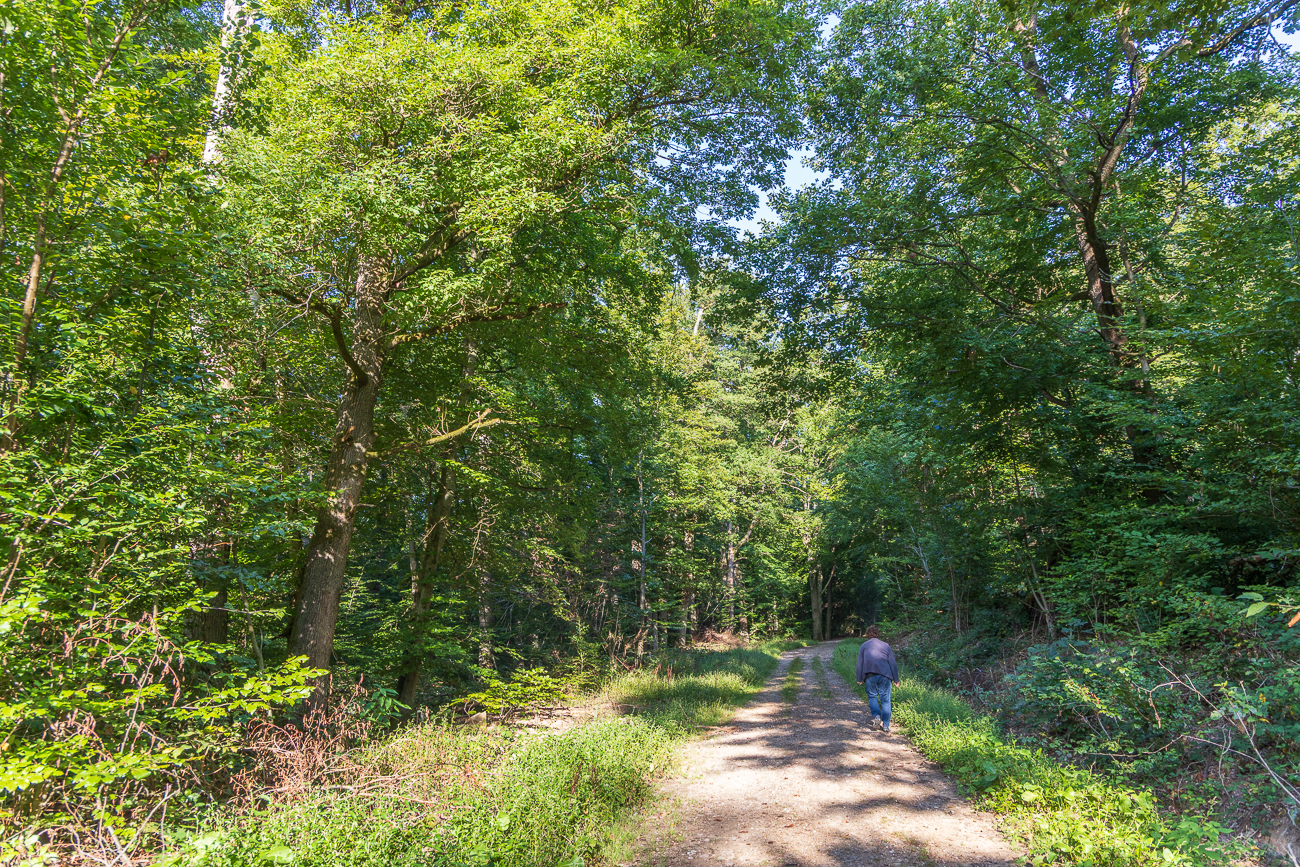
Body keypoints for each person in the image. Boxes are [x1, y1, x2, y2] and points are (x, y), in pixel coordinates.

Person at [855, 627, 899, 733]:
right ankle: (886, 725)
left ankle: (876, 717)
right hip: (885, 675)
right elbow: (892, 663)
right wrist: (896, 679)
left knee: (872, 697)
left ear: (868, 634)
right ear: (878, 634)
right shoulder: (885, 645)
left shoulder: (864, 646)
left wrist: (859, 677)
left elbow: (860, 663)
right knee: (885, 700)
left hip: (870, 675)